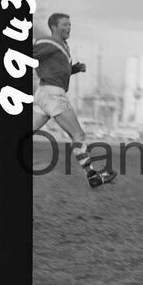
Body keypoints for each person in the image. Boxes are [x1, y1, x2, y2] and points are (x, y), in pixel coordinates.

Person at [32, 13, 118, 188]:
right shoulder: (49, 42)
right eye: (64, 24)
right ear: (54, 26)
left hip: (44, 94)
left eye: (69, 25)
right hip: (53, 95)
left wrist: (75, 69)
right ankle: (93, 176)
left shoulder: (61, 46)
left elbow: (57, 71)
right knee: (78, 135)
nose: (68, 27)